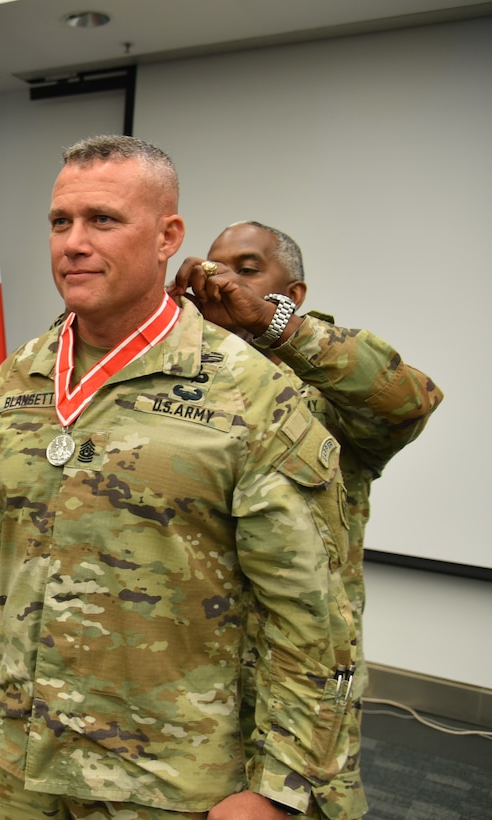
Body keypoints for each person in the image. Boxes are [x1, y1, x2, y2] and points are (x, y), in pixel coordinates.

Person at [0, 136, 359, 820]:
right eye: (60, 222)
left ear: (167, 236)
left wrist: (279, 786)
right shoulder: (19, 376)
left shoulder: (248, 391)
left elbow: (307, 615)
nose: (73, 242)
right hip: (16, 759)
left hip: (164, 776)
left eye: (103, 220)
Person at [169, 221, 444, 817]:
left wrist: (271, 329)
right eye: (215, 269)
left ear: (291, 294)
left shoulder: (325, 389)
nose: (224, 283)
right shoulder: (184, 375)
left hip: (295, 676)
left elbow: (408, 399)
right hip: (188, 679)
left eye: (247, 269)